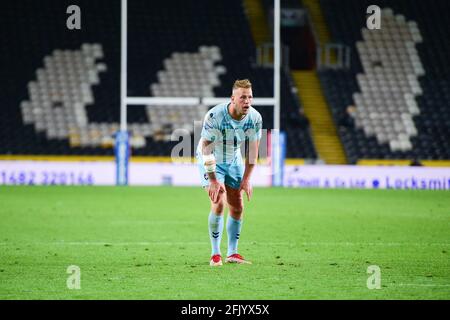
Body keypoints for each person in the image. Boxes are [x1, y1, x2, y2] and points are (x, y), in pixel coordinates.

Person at [196, 79, 262, 266]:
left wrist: (247, 179)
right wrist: (214, 180)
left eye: (250, 97)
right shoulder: (214, 116)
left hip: (233, 160)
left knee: (238, 206)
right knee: (218, 202)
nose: (247, 101)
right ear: (233, 98)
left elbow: (253, 151)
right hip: (211, 160)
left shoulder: (255, 118)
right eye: (243, 97)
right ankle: (215, 254)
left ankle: (232, 253)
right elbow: (206, 150)